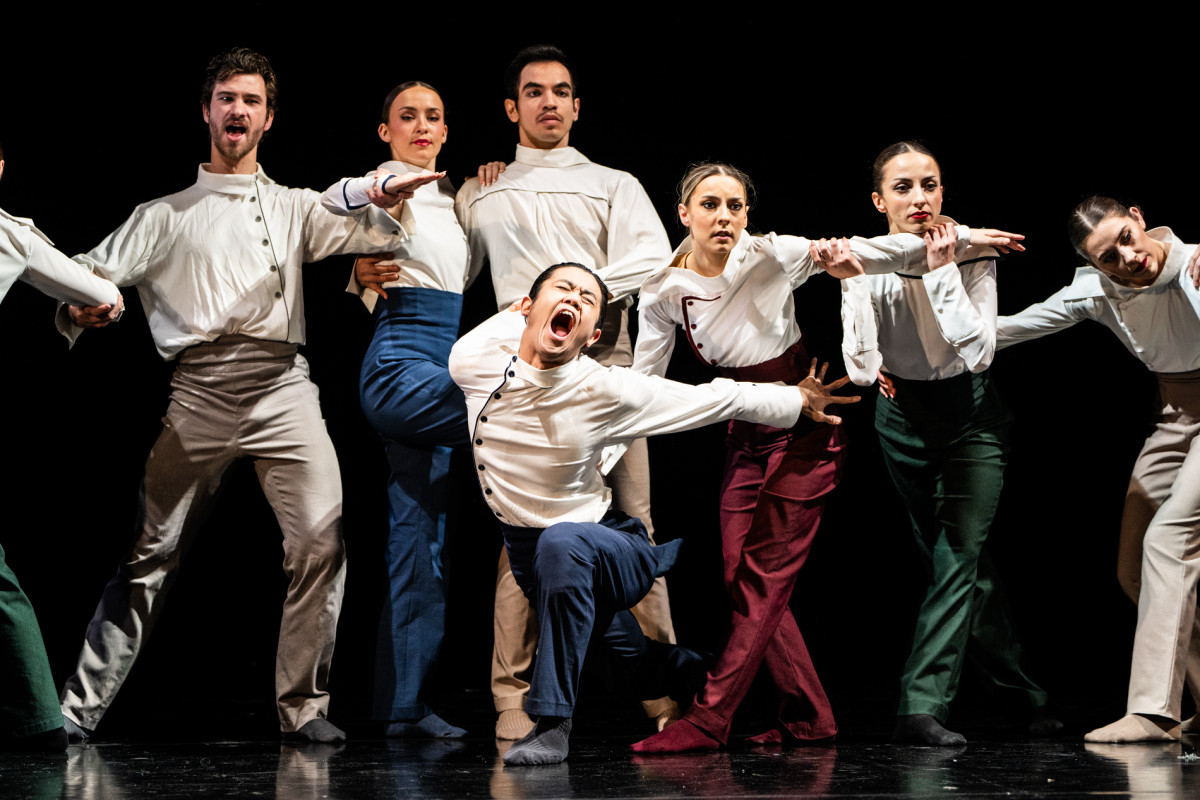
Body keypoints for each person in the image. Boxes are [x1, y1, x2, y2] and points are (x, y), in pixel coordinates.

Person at [56, 48, 414, 744]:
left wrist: (385, 194)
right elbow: (88, 273)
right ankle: (77, 710)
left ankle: (304, 708)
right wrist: (79, 307)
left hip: (283, 387)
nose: (238, 110)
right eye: (226, 98)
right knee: (149, 554)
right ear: (206, 111)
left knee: (321, 541)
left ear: (268, 118)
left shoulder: (292, 205)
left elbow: (362, 220)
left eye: (251, 100)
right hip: (199, 392)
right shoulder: (164, 214)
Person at [628, 163, 1022, 753]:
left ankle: (709, 719)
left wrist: (962, 238)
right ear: (684, 213)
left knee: (761, 579)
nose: (724, 217)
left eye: (735, 206)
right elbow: (643, 383)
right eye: (710, 205)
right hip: (744, 430)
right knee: (740, 577)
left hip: (807, 427)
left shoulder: (773, 252)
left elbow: (875, 249)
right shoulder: (662, 289)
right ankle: (810, 718)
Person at [447, 262, 859, 764]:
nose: (573, 299)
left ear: (592, 337)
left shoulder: (606, 388)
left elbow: (714, 398)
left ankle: (552, 725)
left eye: (587, 299)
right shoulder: (473, 359)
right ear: (526, 308)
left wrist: (793, 398)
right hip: (532, 559)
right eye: (563, 289)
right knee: (627, 652)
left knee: (562, 542)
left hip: (607, 545)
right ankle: (689, 669)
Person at [453, 44, 677, 739]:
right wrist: (367, 274)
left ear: (577, 107)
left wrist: (582, 297)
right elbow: (447, 264)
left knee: (634, 523)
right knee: (522, 530)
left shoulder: (613, 183)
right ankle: (514, 697)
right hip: (521, 371)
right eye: (534, 91)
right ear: (511, 107)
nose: (548, 102)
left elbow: (656, 256)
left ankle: (661, 696)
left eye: (560, 92)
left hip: (604, 362)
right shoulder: (482, 191)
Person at [836, 142, 1050, 746]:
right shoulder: (863, 260)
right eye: (902, 187)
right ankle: (1022, 694)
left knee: (957, 551)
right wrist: (856, 293)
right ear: (879, 200)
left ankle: (919, 704)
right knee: (956, 562)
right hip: (901, 418)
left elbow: (977, 351)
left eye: (929, 185)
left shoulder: (973, 254)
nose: (919, 198)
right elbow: (861, 367)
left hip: (971, 419)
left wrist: (941, 271)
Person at [998, 196, 1200, 743]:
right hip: (1174, 414)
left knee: (1169, 540)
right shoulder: (1097, 291)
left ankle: (1154, 711)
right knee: (1133, 566)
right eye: (1108, 257)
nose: (1128, 258)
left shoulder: (1194, 264)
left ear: (1138, 217)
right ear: (1094, 264)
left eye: (1126, 239)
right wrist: (896, 354)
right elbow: (1005, 330)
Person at [321, 81, 474, 738]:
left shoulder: (455, 200)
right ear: (385, 131)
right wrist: (359, 265)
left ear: (446, 130)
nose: (421, 125)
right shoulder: (389, 187)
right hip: (400, 366)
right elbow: (336, 209)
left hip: (446, 364)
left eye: (433, 116)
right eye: (407, 116)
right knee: (519, 423)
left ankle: (403, 704)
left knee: (420, 537)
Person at [0, 145, 122, 752]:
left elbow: (100, 291)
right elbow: (104, 293)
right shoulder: (8, 233)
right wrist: (94, 303)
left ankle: (40, 718)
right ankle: (39, 717)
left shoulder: (7, 234)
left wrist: (89, 305)